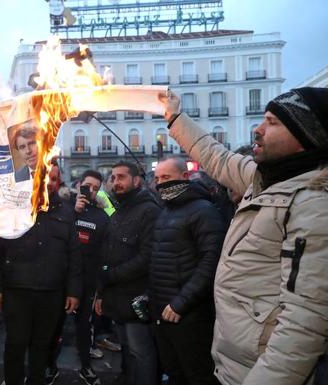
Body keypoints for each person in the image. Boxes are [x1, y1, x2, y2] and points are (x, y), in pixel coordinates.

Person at [160, 87, 328, 384]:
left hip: (260, 369)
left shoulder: (314, 203)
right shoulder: (264, 179)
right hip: (233, 361)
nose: (258, 130)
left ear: (306, 135)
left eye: (272, 122)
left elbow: (304, 324)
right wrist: (175, 118)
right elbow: (217, 157)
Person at [0, 163, 82, 385]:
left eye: (55, 178)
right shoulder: (9, 206)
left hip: (52, 292)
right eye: (45, 176)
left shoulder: (66, 211)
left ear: (59, 182)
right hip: (16, 290)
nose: (50, 182)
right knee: (16, 343)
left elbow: (74, 254)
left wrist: (74, 291)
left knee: (42, 344)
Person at [150, 157, 225, 385]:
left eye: (167, 177)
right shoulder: (165, 211)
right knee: (174, 373)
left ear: (185, 177)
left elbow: (211, 261)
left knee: (197, 374)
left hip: (189, 315)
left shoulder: (203, 211)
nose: (161, 183)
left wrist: (182, 302)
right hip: (162, 312)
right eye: (157, 178)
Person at [94, 160, 161, 385]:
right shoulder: (119, 209)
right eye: (113, 178)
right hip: (116, 297)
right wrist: (102, 291)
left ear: (136, 180)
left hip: (136, 298)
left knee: (141, 352)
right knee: (127, 349)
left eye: (121, 177)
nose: (116, 182)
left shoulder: (149, 210)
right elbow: (109, 250)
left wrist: (110, 277)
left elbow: (146, 257)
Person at [46, 169, 110, 385]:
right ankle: (49, 366)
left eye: (95, 188)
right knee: (54, 326)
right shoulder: (63, 209)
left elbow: (104, 253)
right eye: (87, 186)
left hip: (87, 281)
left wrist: (100, 288)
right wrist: (74, 212)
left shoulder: (102, 216)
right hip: (60, 280)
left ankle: (85, 366)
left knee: (84, 327)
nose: (90, 191)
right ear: (78, 184)